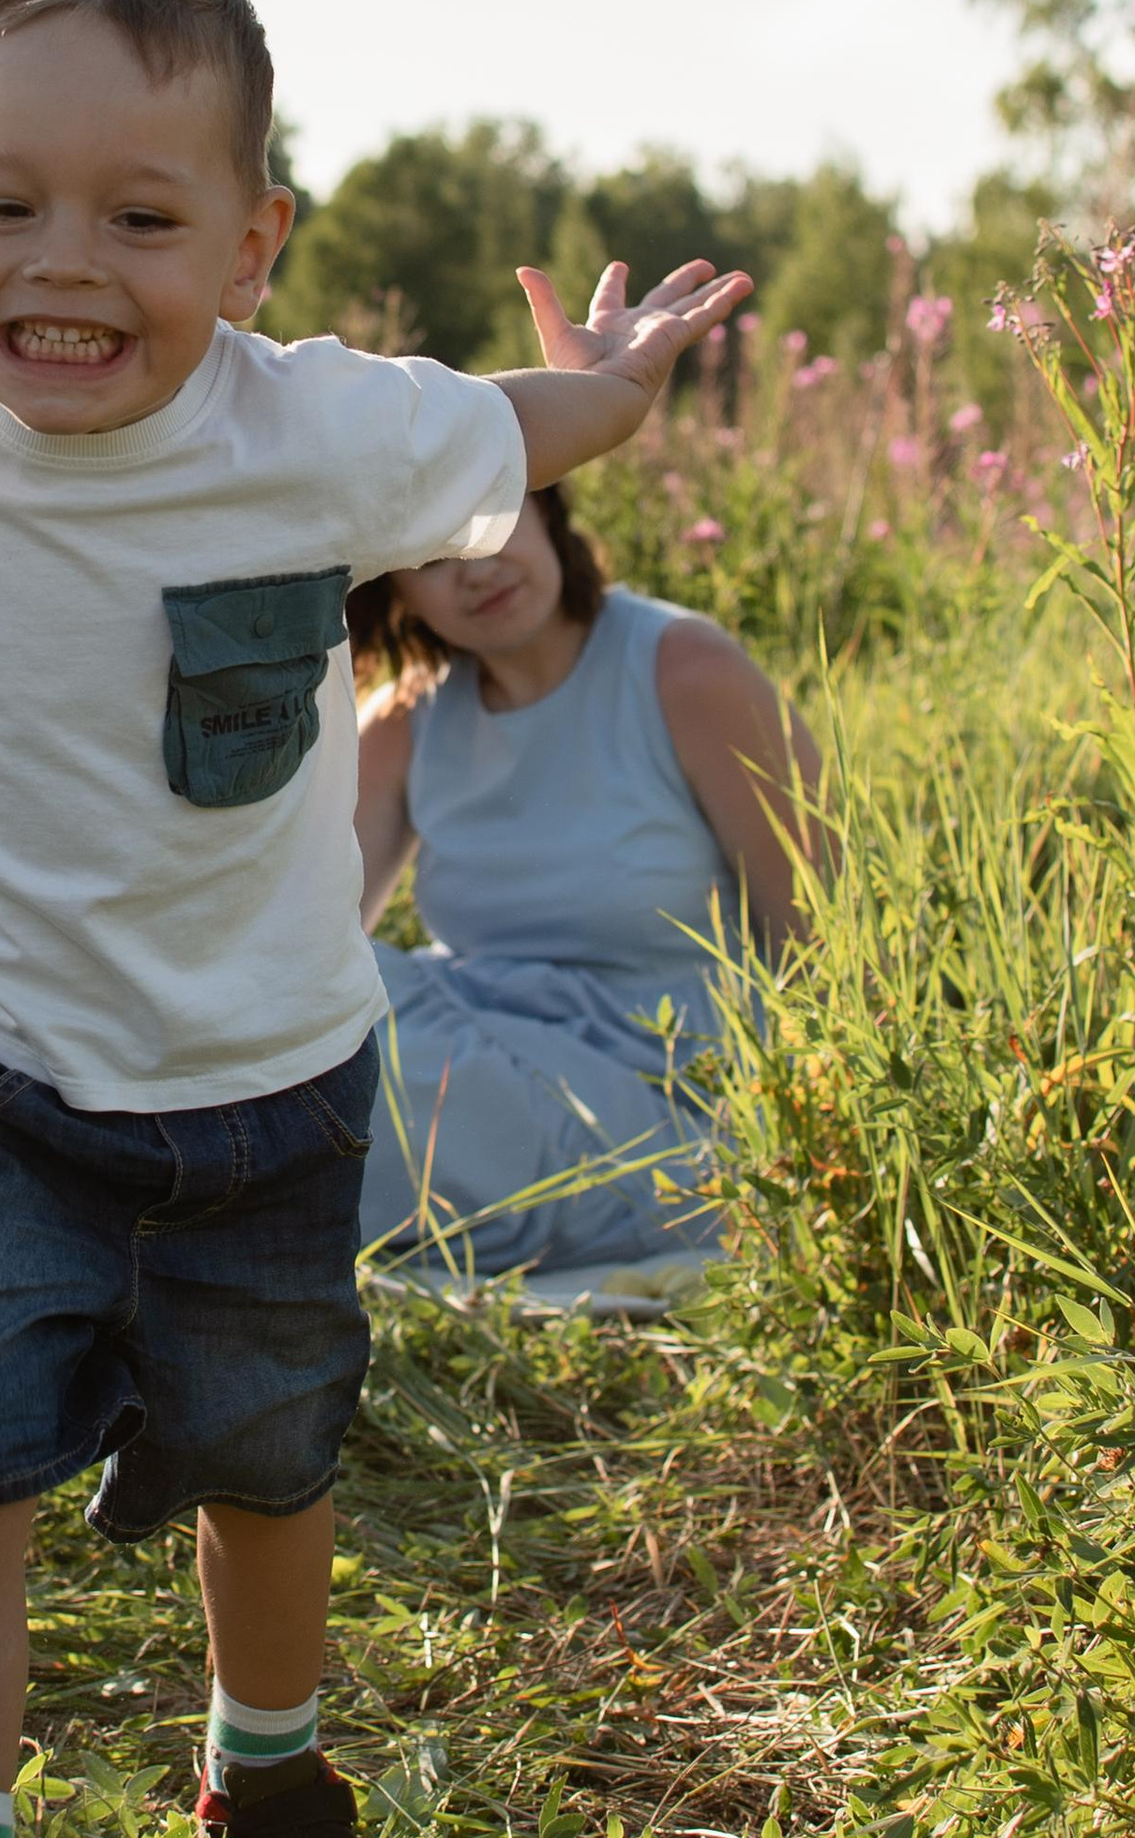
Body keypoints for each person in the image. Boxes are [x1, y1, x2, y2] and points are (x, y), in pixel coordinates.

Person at [0, 0, 748, 1838]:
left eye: (139, 213)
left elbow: (519, 422)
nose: (59, 263)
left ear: (250, 244)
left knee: (269, 1455)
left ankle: (262, 1762)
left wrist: (627, 384)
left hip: (269, 1072)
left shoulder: (323, 432)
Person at [349, 491, 827, 1285]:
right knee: (304, 1011)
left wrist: (817, 1159)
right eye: (434, 560)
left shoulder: (685, 670)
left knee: (363, 1075)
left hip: (667, 1110)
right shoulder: (406, 722)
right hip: (480, 1057)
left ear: (548, 515)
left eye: (494, 526)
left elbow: (827, 948)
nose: (480, 571)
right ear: (396, 592)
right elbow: (301, 956)